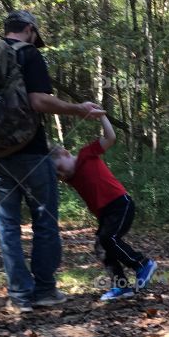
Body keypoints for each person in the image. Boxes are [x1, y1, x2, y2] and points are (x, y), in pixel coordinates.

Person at [0, 10, 104, 313]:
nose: (35, 41)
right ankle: (45, 291)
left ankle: (20, 296)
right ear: (29, 29)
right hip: (32, 153)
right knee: (45, 222)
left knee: (8, 228)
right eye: (35, 36)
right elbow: (39, 101)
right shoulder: (29, 56)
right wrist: (78, 109)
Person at [50, 114, 157, 301]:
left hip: (120, 204)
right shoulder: (71, 178)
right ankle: (121, 286)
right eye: (57, 175)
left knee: (109, 238)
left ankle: (143, 264)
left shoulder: (86, 154)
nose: (61, 174)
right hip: (106, 214)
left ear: (66, 154)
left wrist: (102, 116)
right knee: (102, 246)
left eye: (59, 167)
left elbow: (111, 138)